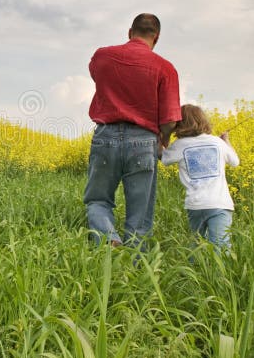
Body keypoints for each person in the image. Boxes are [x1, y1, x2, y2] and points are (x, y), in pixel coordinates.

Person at [84, 13, 181, 247]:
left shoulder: (102, 56)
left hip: (105, 136)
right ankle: (136, 267)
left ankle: (108, 241)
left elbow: (97, 76)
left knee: (98, 200)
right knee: (140, 213)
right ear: (156, 37)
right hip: (144, 140)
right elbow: (170, 119)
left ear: (130, 32)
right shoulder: (165, 68)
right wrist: (163, 139)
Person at [160, 104, 240, 250]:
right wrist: (225, 141)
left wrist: (164, 135)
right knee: (220, 247)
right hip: (219, 203)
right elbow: (235, 162)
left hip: (195, 205)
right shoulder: (217, 142)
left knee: (196, 246)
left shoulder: (180, 145)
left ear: (179, 124)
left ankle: (192, 271)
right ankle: (219, 273)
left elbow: (164, 159)